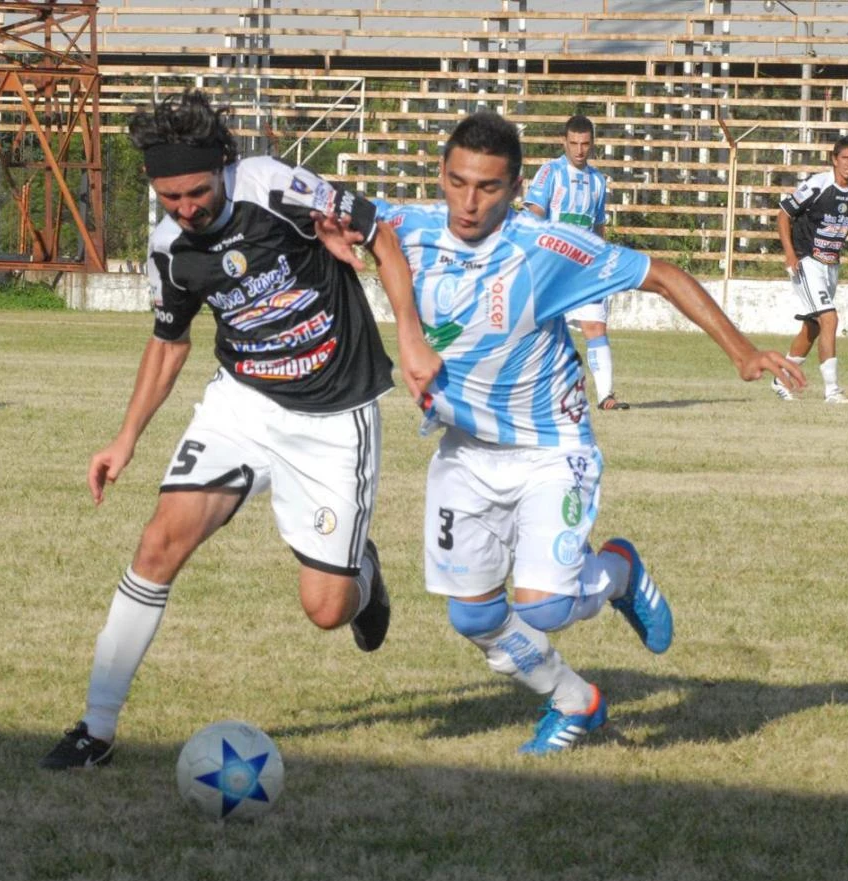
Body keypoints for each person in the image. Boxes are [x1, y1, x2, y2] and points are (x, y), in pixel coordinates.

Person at [326, 111, 804, 755]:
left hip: (553, 448)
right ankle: (575, 701)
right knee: (473, 615)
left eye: (489, 187)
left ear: (517, 186)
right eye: (458, 182)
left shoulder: (547, 249)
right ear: (440, 174)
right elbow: (317, 206)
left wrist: (742, 352)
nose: (470, 202)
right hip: (463, 453)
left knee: (545, 606)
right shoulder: (406, 228)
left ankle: (619, 572)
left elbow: (661, 273)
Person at [39, 90, 440, 769]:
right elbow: (169, 342)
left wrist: (410, 336)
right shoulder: (170, 246)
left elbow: (379, 234)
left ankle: (362, 572)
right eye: (170, 198)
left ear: (223, 166)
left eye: (196, 192)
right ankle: (97, 726)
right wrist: (124, 438)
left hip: (334, 412)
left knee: (325, 607)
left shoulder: (276, 186)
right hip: (244, 404)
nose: (186, 209)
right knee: (158, 542)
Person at [523, 114, 627, 411]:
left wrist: (604, 261)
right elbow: (533, 214)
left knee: (595, 326)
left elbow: (597, 227)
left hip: (586, 269)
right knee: (539, 333)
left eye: (585, 144)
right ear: (563, 143)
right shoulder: (550, 172)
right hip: (552, 268)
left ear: (593, 144)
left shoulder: (597, 181)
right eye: (574, 143)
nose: (579, 150)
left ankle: (606, 396)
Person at [772, 134, 848, 403]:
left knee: (813, 328)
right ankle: (832, 391)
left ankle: (780, 378)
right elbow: (784, 214)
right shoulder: (818, 185)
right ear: (834, 159)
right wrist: (789, 254)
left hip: (831, 265)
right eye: (844, 158)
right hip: (806, 260)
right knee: (829, 319)